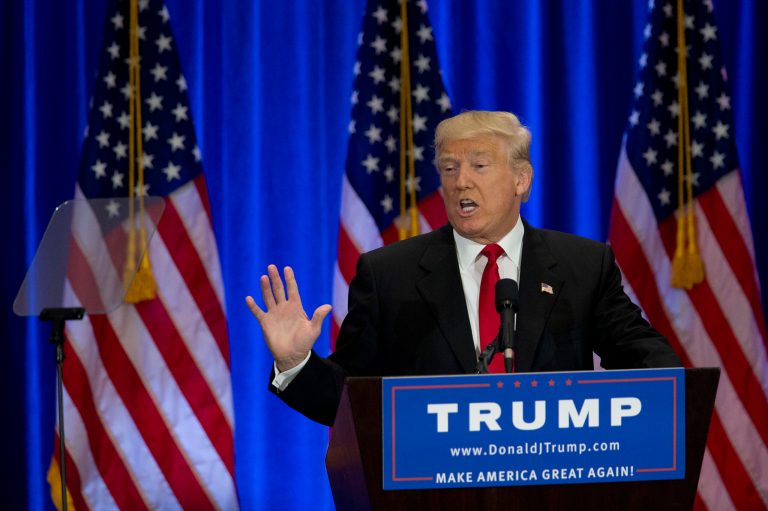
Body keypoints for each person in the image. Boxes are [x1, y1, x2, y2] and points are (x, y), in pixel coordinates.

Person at [246, 110, 682, 426]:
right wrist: (296, 361)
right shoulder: (389, 275)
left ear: (521, 180)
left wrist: (681, 392)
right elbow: (346, 400)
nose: (461, 182)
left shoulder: (582, 266)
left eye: (479, 165)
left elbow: (646, 357)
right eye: (450, 168)